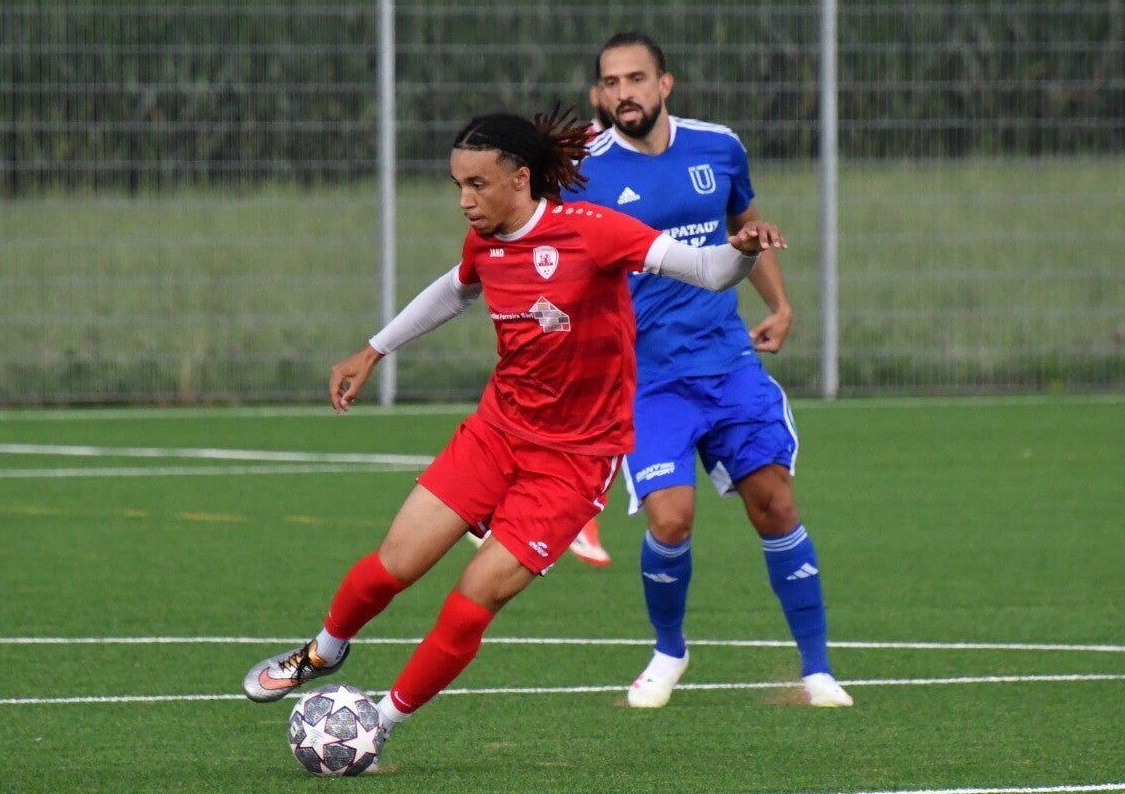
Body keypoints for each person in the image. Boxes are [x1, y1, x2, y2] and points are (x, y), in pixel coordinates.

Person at [242, 109, 784, 749]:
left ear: (520, 178)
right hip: (497, 433)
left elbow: (710, 271)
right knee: (393, 565)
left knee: (471, 600)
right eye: (457, 186)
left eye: (477, 184)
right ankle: (324, 651)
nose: (465, 201)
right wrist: (374, 350)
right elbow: (455, 289)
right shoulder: (485, 241)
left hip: (574, 463)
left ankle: (376, 726)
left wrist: (743, 252)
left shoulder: (595, 231)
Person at [576, 32, 852, 708]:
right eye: (611, 83)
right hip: (649, 379)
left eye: (636, 79)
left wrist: (780, 306)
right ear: (598, 95)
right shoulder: (583, 170)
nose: (624, 93)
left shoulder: (718, 147)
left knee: (776, 503)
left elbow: (747, 225)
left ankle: (817, 670)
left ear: (664, 83)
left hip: (727, 365)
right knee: (671, 520)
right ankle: (669, 651)